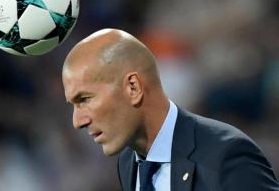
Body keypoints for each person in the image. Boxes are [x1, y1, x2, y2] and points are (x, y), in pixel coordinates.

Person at [62, 28, 279, 191]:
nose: (77, 121)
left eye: (85, 99)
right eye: (73, 105)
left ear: (133, 88)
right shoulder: (128, 162)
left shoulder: (225, 155)